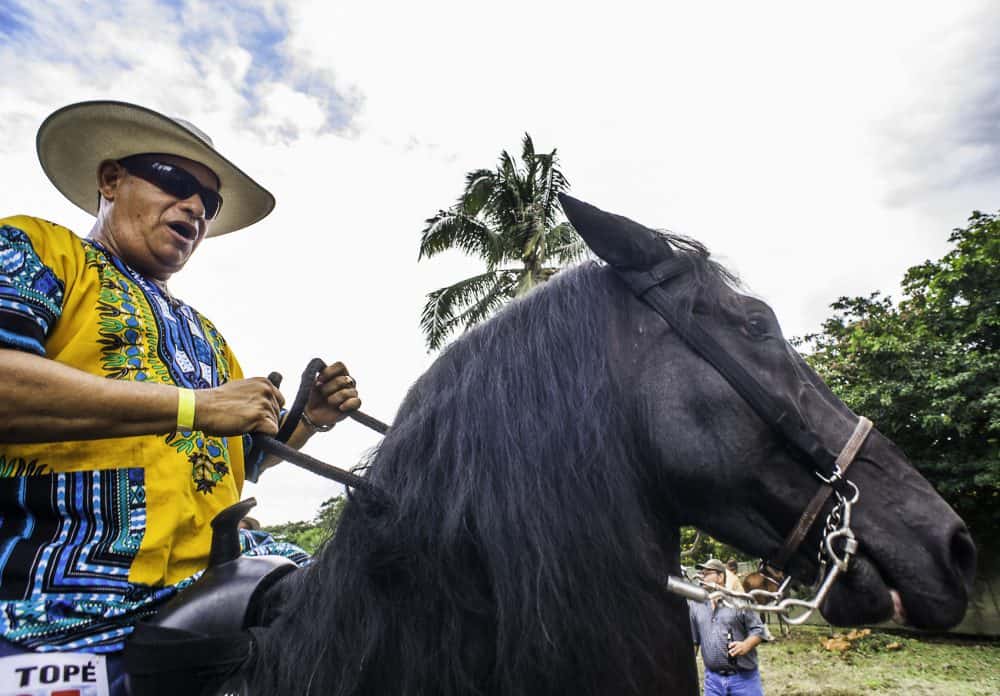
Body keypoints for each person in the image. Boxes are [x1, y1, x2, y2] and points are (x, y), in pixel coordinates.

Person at [0, 101, 359, 692]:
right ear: (110, 180)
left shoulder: (207, 336)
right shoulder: (37, 248)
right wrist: (196, 406)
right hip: (58, 608)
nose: (194, 206)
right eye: (175, 181)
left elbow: (229, 467)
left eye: (209, 203)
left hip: (215, 589)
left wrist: (307, 422)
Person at [689, 559, 766, 695]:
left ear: (720, 577)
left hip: (744, 680)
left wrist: (746, 645)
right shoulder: (696, 606)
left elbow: (759, 629)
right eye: (701, 572)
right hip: (713, 681)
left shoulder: (739, 600)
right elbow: (694, 641)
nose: (702, 576)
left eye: (707, 573)